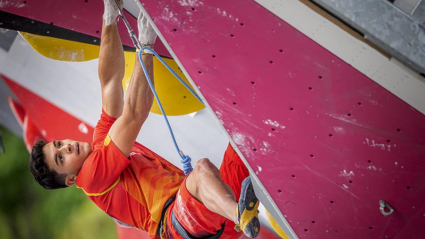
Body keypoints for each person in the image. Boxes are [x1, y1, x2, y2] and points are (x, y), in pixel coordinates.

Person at [29, 0, 260, 238]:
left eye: (58, 144)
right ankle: (239, 214)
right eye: (61, 158)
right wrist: (145, 46)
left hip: (210, 218)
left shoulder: (100, 143)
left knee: (243, 138)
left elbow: (110, 83)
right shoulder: (90, 177)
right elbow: (134, 114)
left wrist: (109, 17)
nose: (66, 147)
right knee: (201, 171)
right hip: (179, 224)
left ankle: (239, 215)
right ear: (69, 180)